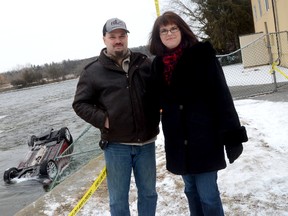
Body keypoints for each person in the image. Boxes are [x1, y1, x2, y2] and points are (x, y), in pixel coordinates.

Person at [148, 11, 248, 216]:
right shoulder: (158, 65)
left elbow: (222, 96)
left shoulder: (202, 55)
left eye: (173, 28)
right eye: (163, 30)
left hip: (204, 138)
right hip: (178, 142)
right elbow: (154, 101)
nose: (169, 33)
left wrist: (232, 135)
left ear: (182, 30)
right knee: (190, 190)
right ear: (158, 36)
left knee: (208, 195)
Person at [72, 17, 160, 216]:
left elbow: (158, 93)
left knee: (149, 194)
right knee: (119, 200)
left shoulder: (144, 63)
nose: (118, 40)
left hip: (146, 143)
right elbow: (80, 104)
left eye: (122, 36)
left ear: (127, 38)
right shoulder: (92, 71)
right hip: (116, 146)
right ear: (104, 39)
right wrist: (104, 119)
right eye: (113, 36)